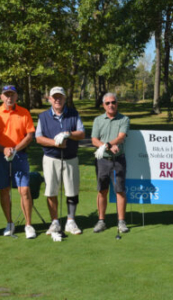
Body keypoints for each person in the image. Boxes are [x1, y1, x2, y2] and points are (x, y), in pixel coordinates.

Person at [35, 87, 85, 235]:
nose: (57, 99)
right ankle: (55, 222)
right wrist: (54, 142)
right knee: (51, 191)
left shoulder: (73, 114)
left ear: (64, 99)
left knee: (72, 191)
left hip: (70, 158)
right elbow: (38, 138)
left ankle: (70, 221)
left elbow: (81, 133)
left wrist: (67, 134)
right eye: (54, 97)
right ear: (49, 99)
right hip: (51, 158)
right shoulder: (43, 116)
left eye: (60, 97)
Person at [0, 85, 36, 239]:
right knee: (4, 190)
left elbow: (29, 135)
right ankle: (10, 223)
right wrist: (4, 149)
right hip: (1, 156)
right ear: (1, 97)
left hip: (19, 156)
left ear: (16, 96)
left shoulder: (24, 112)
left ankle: (28, 225)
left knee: (24, 190)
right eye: (6, 95)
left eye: (12, 95)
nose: (9, 97)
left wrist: (15, 149)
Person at [91, 93, 130, 233]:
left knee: (120, 190)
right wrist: (107, 147)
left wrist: (107, 144)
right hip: (102, 160)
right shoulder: (98, 120)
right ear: (103, 105)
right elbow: (94, 140)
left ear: (117, 103)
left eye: (113, 102)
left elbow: (121, 137)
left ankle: (121, 222)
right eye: (107, 103)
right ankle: (101, 221)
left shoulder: (124, 119)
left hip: (118, 160)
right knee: (102, 190)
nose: (111, 105)